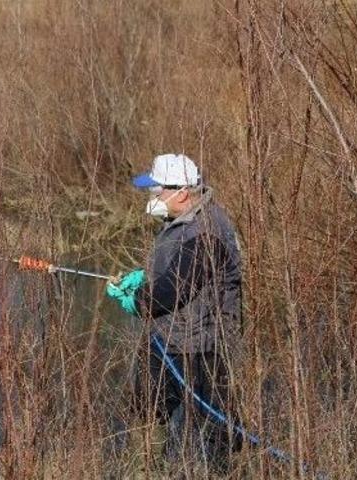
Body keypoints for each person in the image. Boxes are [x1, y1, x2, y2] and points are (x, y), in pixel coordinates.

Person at [106, 153, 243, 474]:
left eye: (157, 191)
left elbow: (172, 291)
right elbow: (175, 274)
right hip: (167, 340)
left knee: (216, 427)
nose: (152, 197)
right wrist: (143, 278)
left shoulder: (207, 232)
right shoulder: (182, 221)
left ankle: (224, 471)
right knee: (146, 409)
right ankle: (145, 469)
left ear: (181, 193)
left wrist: (138, 300)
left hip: (201, 348)